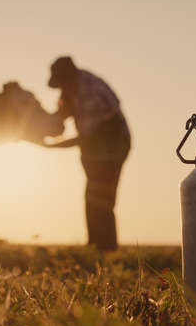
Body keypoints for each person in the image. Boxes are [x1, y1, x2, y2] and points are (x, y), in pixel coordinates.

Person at [45, 56, 131, 251]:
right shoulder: (69, 91)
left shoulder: (89, 92)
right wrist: (41, 126)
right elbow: (60, 115)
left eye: (62, 84)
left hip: (112, 147)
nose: (61, 90)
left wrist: (51, 146)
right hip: (94, 149)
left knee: (102, 198)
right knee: (92, 196)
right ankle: (94, 247)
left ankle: (106, 250)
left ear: (70, 78)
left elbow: (84, 138)